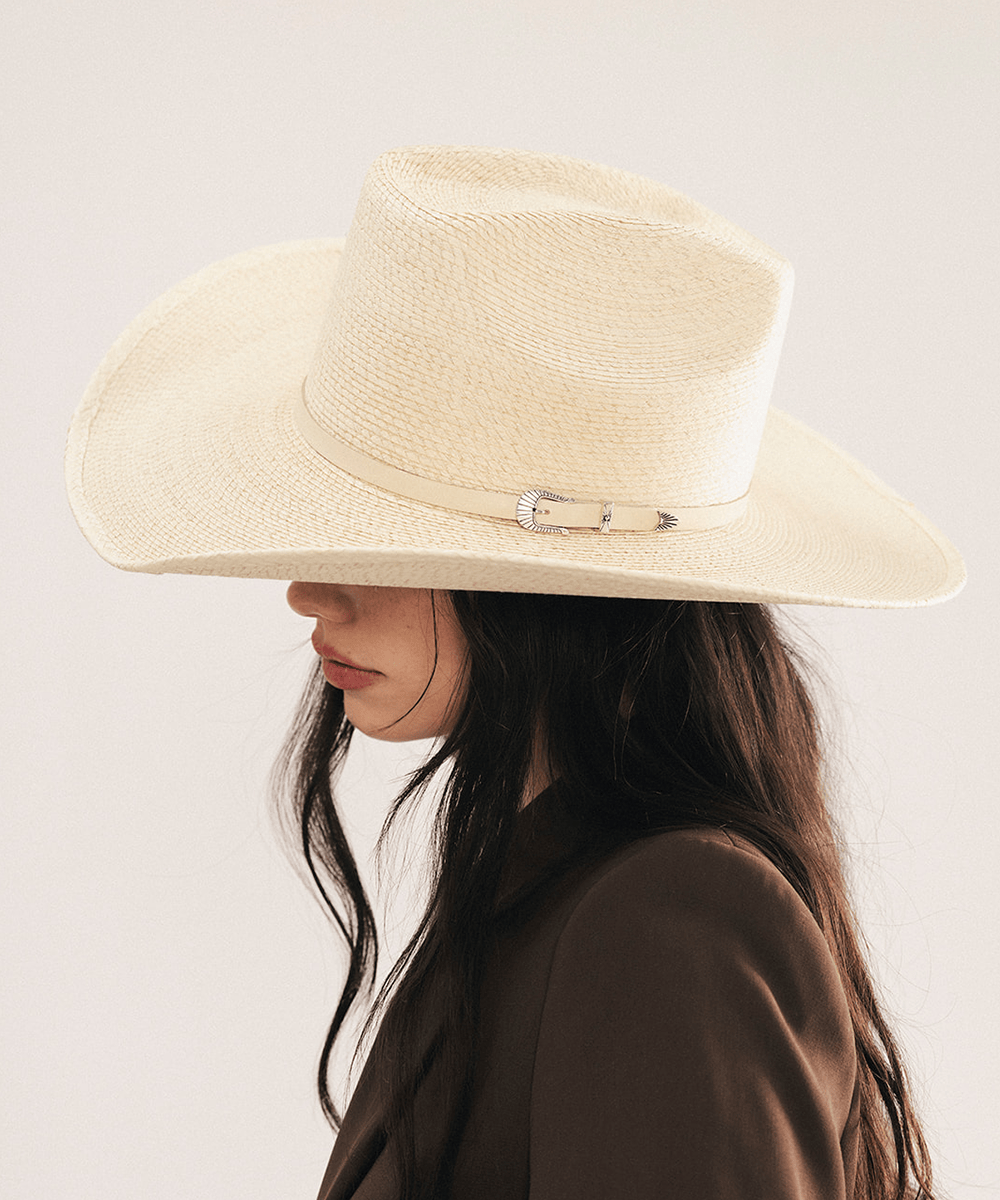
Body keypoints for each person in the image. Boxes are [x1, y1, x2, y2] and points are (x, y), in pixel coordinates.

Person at [65, 146, 964, 1199]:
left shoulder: (664, 921)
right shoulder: (551, 889)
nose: (309, 591)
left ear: (541, 587)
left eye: (385, 542)